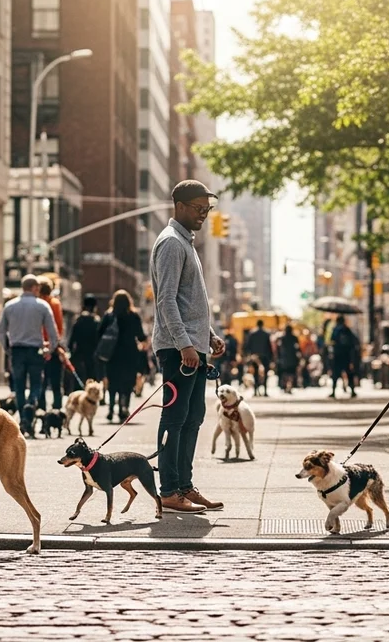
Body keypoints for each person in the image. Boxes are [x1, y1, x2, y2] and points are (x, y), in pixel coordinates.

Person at [150, 179, 226, 514]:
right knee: (175, 417)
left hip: (194, 348)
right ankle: (168, 490)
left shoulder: (186, 243)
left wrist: (208, 335)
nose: (204, 215)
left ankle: (184, 486)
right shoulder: (170, 243)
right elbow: (166, 301)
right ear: (179, 206)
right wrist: (185, 344)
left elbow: (188, 301)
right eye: (199, 209)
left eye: (207, 210)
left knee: (193, 417)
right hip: (178, 351)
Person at [0, 274, 61, 434]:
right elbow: (53, 334)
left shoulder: (10, 306)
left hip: (17, 350)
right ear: (35, 288)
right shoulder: (42, 306)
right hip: (35, 351)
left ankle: (23, 419)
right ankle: (30, 405)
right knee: (36, 384)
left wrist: (7, 348)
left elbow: (0, 331)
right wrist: (50, 349)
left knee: (18, 385)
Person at [100, 289, 148, 422]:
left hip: (112, 354)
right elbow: (140, 335)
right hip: (129, 353)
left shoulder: (109, 316)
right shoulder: (133, 316)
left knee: (113, 381)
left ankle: (111, 409)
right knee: (127, 382)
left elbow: (99, 333)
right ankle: (124, 407)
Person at [37, 277, 66, 411]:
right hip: (53, 346)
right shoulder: (55, 303)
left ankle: (41, 409)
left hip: (38, 346)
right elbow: (59, 327)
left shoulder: (37, 304)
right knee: (56, 381)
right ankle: (57, 409)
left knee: (40, 381)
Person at [66, 294, 101, 392]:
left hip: (79, 353)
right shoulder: (96, 321)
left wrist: (70, 351)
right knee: (92, 378)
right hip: (93, 354)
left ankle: (78, 400)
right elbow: (99, 339)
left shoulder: (79, 320)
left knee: (78, 380)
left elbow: (72, 338)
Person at [328, 315, 360, 398]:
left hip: (337, 355)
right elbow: (354, 341)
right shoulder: (347, 330)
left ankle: (333, 391)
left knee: (335, 374)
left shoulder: (335, 330)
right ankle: (352, 391)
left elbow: (332, 341)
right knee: (349, 373)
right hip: (347, 355)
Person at [244, 320, 273, 395]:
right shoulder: (266, 334)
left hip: (255, 356)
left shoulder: (252, 333)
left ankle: (255, 391)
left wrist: (248, 355)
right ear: (262, 324)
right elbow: (269, 346)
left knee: (255, 374)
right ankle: (265, 391)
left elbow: (248, 345)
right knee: (265, 374)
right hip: (265, 356)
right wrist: (271, 357)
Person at [275, 325, 301, 394]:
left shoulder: (282, 338)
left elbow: (278, 348)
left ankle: (285, 386)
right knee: (291, 374)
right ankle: (289, 387)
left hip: (284, 358)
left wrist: (278, 357)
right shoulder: (294, 338)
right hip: (292, 358)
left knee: (285, 373)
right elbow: (298, 348)